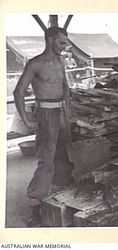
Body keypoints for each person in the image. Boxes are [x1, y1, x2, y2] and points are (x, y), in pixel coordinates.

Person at [13, 26, 73, 226]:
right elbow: (18, 92)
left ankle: (58, 197)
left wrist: (68, 109)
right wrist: (27, 120)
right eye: (61, 42)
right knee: (46, 159)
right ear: (49, 40)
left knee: (64, 155)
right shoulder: (36, 64)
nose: (64, 47)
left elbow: (65, 87)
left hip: (62, 113)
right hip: (45, 114)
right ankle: (35, 208)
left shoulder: (59, 62)